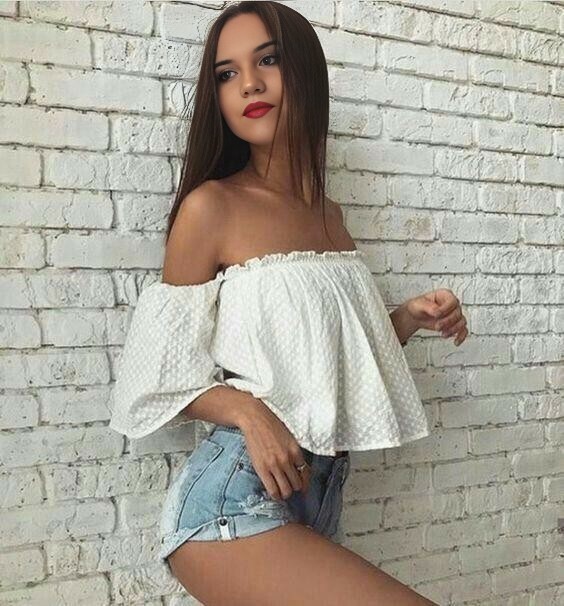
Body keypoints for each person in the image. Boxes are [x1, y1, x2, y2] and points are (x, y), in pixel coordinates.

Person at [109, 2, 467, 604]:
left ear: (304, 71)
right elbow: (156, 380)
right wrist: (249, 412)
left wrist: (407, 318)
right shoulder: (212, 207)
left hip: (317, 501)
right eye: (227, 73)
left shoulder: (331, 217)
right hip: (233, 502)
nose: (248, 84)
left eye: (268, 61)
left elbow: (326, 362)